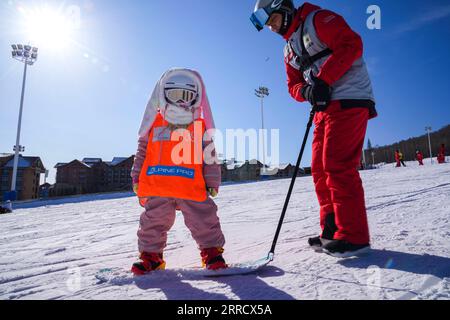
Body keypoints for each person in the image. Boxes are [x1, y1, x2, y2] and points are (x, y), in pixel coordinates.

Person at [250, 1, 377, 257]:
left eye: (273, 20)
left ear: (284, 9)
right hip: (322, 107)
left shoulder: (318, 19)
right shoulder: (288, 50)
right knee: (319, 169)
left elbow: (351, 44)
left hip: (348, 97)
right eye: (268, 25)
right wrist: (307, 90)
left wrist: (323, 80)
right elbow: (292, 86)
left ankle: (354, 237)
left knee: (337, 165)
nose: (272, 28)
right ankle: (332, 229)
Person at [130, 68, 227, 275]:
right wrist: (136, 175)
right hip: (158, 185)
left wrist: (212, 180)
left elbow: (209, 154)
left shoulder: (199, 126)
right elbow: (142, 151)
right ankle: (151, 256)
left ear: (196, 98)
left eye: (187, 96)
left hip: (191, 185)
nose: (181, 102)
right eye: (175, 95)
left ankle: (212, 253)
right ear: (163, 95)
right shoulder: (153, 124)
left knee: (204, 219)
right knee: (153, 222)